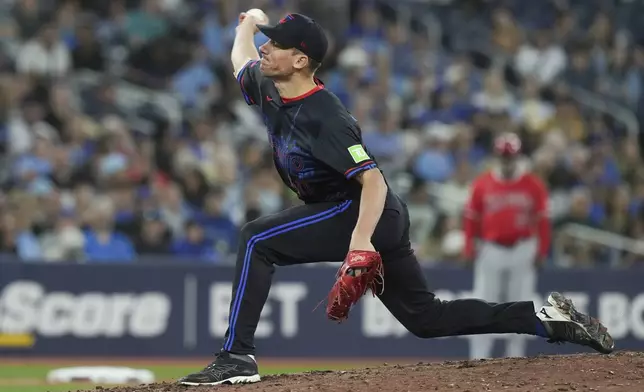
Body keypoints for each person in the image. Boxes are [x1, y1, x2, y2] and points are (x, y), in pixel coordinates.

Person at [178, 11, 614, 386]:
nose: (263, 49)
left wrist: (361, 242)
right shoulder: (269, 84)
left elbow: (373, 182)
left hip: (362, 211)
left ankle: (237, 356)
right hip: (353, 213)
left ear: (300, 60)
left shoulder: (327, 116)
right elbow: (240, 62)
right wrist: (247, 25)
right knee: (427, 319)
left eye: (275, 44)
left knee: (257, 239)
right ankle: (544, 319)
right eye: (266, 41)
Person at [464, 132, 550, 359]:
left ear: (518, 156)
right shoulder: (482, 184)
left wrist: (542, 250)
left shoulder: (533, 184)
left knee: (520, 305)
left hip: (522, 249)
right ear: (496, 156)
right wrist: (468, 248)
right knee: (483, 304)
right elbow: (471, 219)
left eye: (510, 157)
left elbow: (543, 220)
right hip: (491, 249)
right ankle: (478, 357)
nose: (507, 161)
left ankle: (515, 358)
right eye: (503, 156)